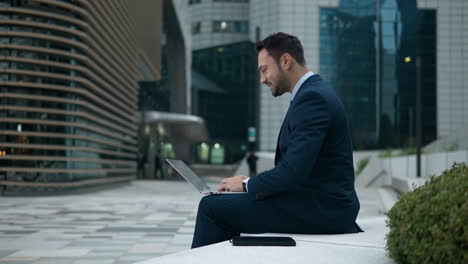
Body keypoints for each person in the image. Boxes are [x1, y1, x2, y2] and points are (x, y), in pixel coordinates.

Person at [191, 32, 362, 249]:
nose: (262, 80)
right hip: (317, 202)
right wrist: (248, 185)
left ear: (286, 61)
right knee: (222, 204)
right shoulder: (310, 94)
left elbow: (292, 171)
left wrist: (247, 184)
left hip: (323, 209)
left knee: (211, 207)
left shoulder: (313, 99)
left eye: (264, 70)